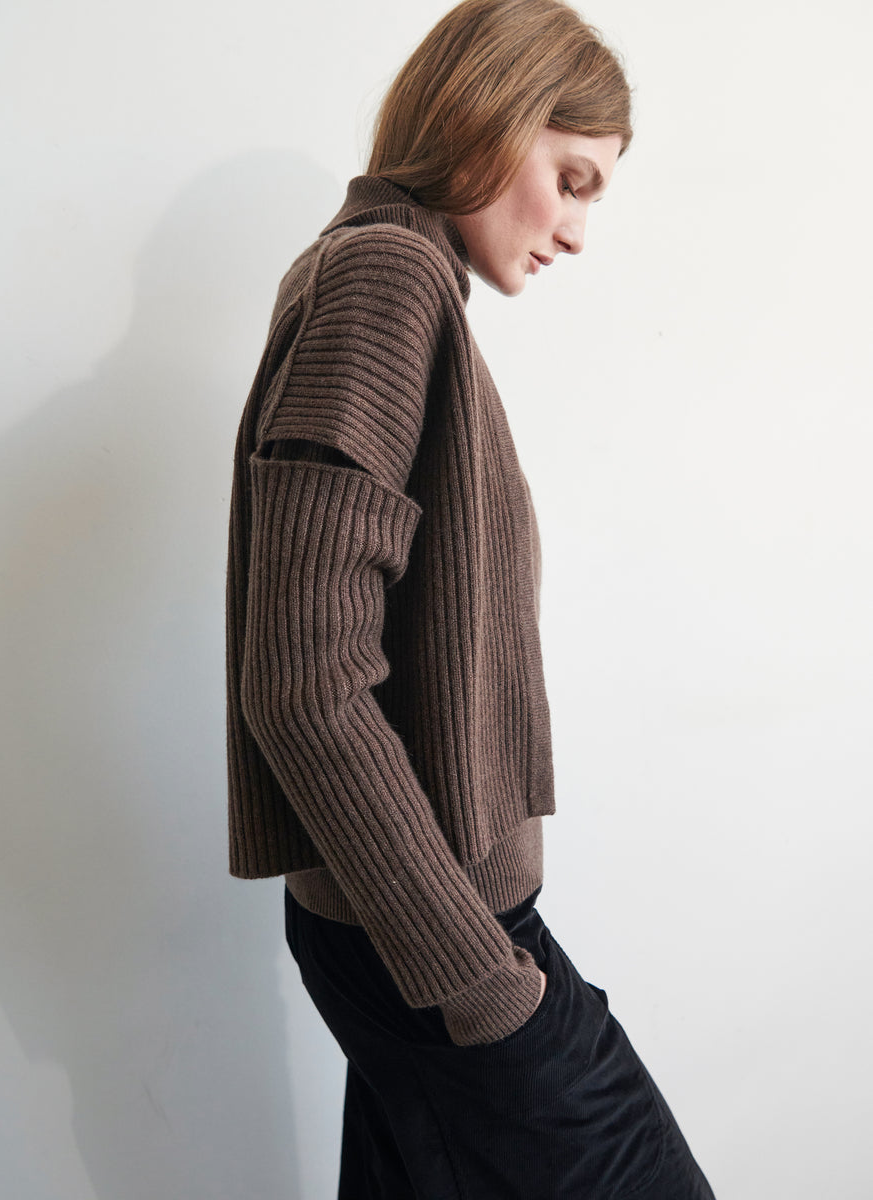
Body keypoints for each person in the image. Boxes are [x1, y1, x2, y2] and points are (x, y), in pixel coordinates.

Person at [225, 0, 717, 1195]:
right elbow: (303, 683)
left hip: (421, 931)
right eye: (574, 176)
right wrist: (481, 983)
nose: (581, 230)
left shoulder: (390, 280)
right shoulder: (385, 281)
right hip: (443, 944)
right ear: (492, 117)